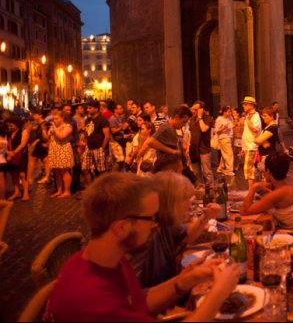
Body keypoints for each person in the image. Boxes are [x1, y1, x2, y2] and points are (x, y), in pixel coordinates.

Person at [44, 172, 239, 321]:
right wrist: (220, 292)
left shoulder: (109, 260)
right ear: (121, 228)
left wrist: (183, 280)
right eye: (151, 218)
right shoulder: (92, 300)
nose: (156, 225)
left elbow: (140, 302)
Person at [128, 171, 221, 288]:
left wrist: (206, 216)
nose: (190, 204)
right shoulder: (145, 237)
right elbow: (136, 297)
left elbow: (188, 236)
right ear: (171, 203)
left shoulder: (164, 225)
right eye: (185, 198)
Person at [240, 153, 293, 231]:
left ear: (268, 171)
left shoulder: (277, 194)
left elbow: (245, 211)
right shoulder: (291, 178)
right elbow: (277, 189)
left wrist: (254, 186)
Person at [140, 105, 192, 174]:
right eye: (184, 122)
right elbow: (150, 142)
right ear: (176, 117)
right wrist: (172, 151)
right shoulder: (165, 128)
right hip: (166, 172)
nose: (184, 125)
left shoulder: (172, 129)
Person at [43, 111, 75, 198]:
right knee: (57, 172)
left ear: (63, 118)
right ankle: (59, 190)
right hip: (55, 150)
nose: (55, 120)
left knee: (64, 172)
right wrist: (43, 129)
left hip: (63, 149)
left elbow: (61, 136)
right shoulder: (55, 127)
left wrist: (54, 128)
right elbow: (47, 137)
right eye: (54, 118)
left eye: (57, 118)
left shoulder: (68, 126)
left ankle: (67, 191)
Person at [82, 100, 111, 184]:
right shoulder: (88, 120)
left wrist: (102, 148)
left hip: (98, 147)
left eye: (90, 108)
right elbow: (87, 132)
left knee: (101, 170)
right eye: (87, 108)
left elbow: (107, 135)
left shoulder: (102, 120)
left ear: (96, 109)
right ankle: (90, 188)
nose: (88, 110)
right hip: (89, 147)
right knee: (85, 169)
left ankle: (103, 189)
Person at [189, 101, 214, 189]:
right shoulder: (192, 119)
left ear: (202, 109)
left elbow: (203, 129)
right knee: (196, 172)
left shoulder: (208, 119)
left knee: (207, 172)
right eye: (193, 109)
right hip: (193, 150)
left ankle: (210, 189)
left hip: (204, 149)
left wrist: (200, 117)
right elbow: (190, 133)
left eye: (196, 109)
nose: (194, 111)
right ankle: (200, 190)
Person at [6, 117, 31, 201]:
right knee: (13, 174)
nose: (9, 127)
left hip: (21, 155)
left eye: (11, 125)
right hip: (11, 155)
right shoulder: (9, 133)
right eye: (8, 126)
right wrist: (8, 152)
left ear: (17, 124)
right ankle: (17, 192)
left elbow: (23, 144)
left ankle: (25, 193)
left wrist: (13, 153)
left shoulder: (23, 131)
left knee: (22, 174)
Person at [240, 96, 262, 188]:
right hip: (246, 146)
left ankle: (251, 191)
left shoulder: (255, 116)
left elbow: (254, 129)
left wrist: (247, 119)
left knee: (248, 170)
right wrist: (242, 147)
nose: (243, 106)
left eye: (245, 104)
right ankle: (256, 188)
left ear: (251, 105)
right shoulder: (249, 116)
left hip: (251, 146)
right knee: (250, 170)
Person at [214, 106, 234, 178]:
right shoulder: (219, 119)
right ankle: (229, 170)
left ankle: (220, 168)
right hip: (223, 137)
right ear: (224, 112)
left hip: (229, 138)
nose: (230, 113)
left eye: (230, 111)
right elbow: (216, 130)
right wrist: (223, 128)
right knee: (229, 154)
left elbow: (232, 126)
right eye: (228, 111)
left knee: (225, 154)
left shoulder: (229, 118)